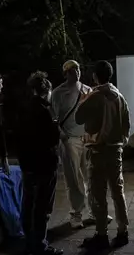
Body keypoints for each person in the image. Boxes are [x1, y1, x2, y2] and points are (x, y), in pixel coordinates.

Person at [76, 61, 131, 250]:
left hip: (97, 150)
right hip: (116, 150)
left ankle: (101, 234)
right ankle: (123, 231)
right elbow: (127, 124)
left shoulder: (94, 96)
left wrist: (84, 98)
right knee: (118, 191)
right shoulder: (119, 96)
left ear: (95, 77)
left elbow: (78, 118)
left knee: (97, 194)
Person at [17, 71, 63, 255]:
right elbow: (52, 139)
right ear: (46, 90)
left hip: (27, 163)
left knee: (28, 202)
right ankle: (40, 244)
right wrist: (56, 126)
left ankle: (29, 240)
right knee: (43, 205)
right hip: (44, 163)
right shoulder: (45, 111)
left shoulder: (24, 108)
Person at [50, 60, 99, 229]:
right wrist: (62, 136)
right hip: (69, 139)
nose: (76, 72)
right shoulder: (58, 93)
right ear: (65, 73)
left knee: (91, 176)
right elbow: (53, 118)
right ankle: (76, 214)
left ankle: (95, 211)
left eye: (77, 69)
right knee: (74, 180)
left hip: (86, 138)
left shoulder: (87, 90)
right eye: (72, 70)